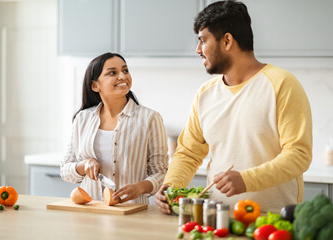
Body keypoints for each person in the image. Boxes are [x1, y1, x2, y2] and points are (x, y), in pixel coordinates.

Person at [155, 0, 312, 213]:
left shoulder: (282, 84)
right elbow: (188, 153)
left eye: (203, 40)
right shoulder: (205, 94)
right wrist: (171, 186)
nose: (198, 49)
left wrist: (246, 180)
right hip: (216, 219)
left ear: (227, 40)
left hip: (273, 221)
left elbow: (298, 154)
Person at [61, 52, 168, 204]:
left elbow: (161, 173)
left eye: (125, 70)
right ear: (95, 85)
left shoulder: (149, 118)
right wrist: (84, 165)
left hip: (132, 212)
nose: (123, 76)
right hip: (90, 212)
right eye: (112, 73)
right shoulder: (82, 119)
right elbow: (65, 170)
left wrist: (141, 187)